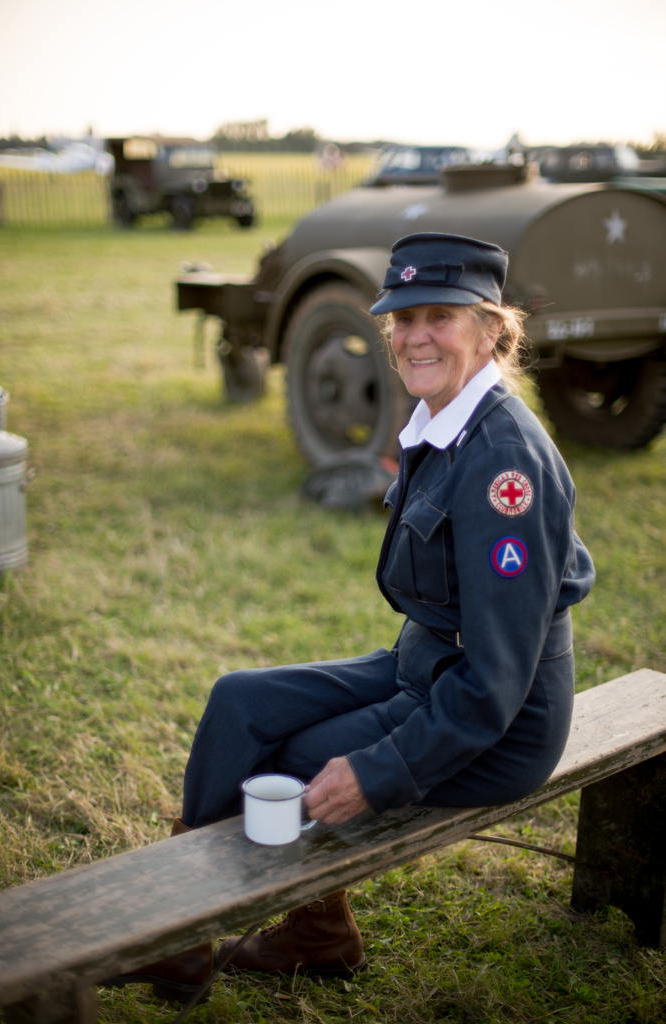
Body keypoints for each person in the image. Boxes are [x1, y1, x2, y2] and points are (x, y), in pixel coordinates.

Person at [107, 232, 595, 1002]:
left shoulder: (505, 464)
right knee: (241, 702)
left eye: (439, 315)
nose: (413, 335)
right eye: (401, 318)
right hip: (426, 665)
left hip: (501, 719)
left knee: (293, 756)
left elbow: (497, 680)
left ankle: (217, 935)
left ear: (492, 329)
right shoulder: (445, 418)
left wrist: (380, 770)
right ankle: (254, 925)